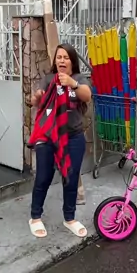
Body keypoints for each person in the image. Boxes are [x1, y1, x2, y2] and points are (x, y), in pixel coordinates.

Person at [29, 43, 92, 239]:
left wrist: (72, 84)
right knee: (43, 177)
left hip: (73, 137)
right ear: (55, 61)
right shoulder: (48, 79)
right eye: (59, 57)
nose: (62, 61)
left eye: (65, 57)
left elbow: (87, 96)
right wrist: (37, 97)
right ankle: (35, 217)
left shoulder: (79, 79)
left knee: (71, 178)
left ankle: (69, 218)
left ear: (72, 61)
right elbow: (35, 101)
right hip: (48, 137)